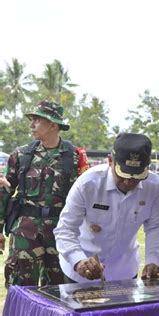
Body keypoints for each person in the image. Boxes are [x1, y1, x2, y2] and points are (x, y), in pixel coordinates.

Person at [54, 133, 159, 282]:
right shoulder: (88, 184)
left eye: (136, 176)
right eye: (122, 174)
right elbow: (65, 229)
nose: (128, 182)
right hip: (81, 269)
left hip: (124, 271)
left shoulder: (153, 186)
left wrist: (153, 260)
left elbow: (155, 226)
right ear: (110, 161)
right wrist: (78, 261)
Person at [0, 100, 89, 287]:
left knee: (58, 290)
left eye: (37, 120)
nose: (31, 125)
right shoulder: (22, 155)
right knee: (20, 287)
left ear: (53, 125)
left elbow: (86, 197)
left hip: (60, 231)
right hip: (25, 230)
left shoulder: (74, 157)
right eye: (31, 120)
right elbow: (5, 191)